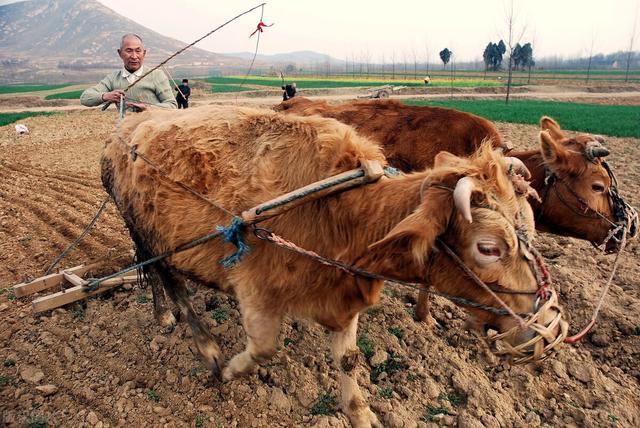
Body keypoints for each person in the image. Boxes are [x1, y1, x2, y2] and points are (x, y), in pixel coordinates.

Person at [80, 34, 177, 111]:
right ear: (120, 53)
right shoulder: (113, 78)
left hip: (152, 132)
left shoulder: (156, 75)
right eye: (129, 51)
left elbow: (172, 105)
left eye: (138, 51)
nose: (134, 56)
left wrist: (148, 108)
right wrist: (106, 96)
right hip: (127, 131)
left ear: (144, 53)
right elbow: (85, 98)